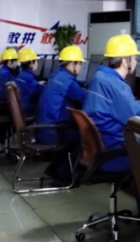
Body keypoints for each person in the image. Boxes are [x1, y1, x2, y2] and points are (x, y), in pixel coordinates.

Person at [83, 34, 140, 173]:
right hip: (115, 153)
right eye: (134, 58)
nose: (136, 62)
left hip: (101, 149)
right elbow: (138, 120)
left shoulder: (100, 77)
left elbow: (130, 106)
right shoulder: (116, 85)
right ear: (125, 61)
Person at [36, 46, 88, 182]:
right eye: (80, 63)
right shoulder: (67, 81)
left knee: (74, 131)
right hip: (52, 131)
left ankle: (54, 169)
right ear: (71, 64)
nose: (82, 67)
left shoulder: (57, 75)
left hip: (43, 128)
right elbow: (84, 98)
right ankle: (63, 176)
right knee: (84, 137)